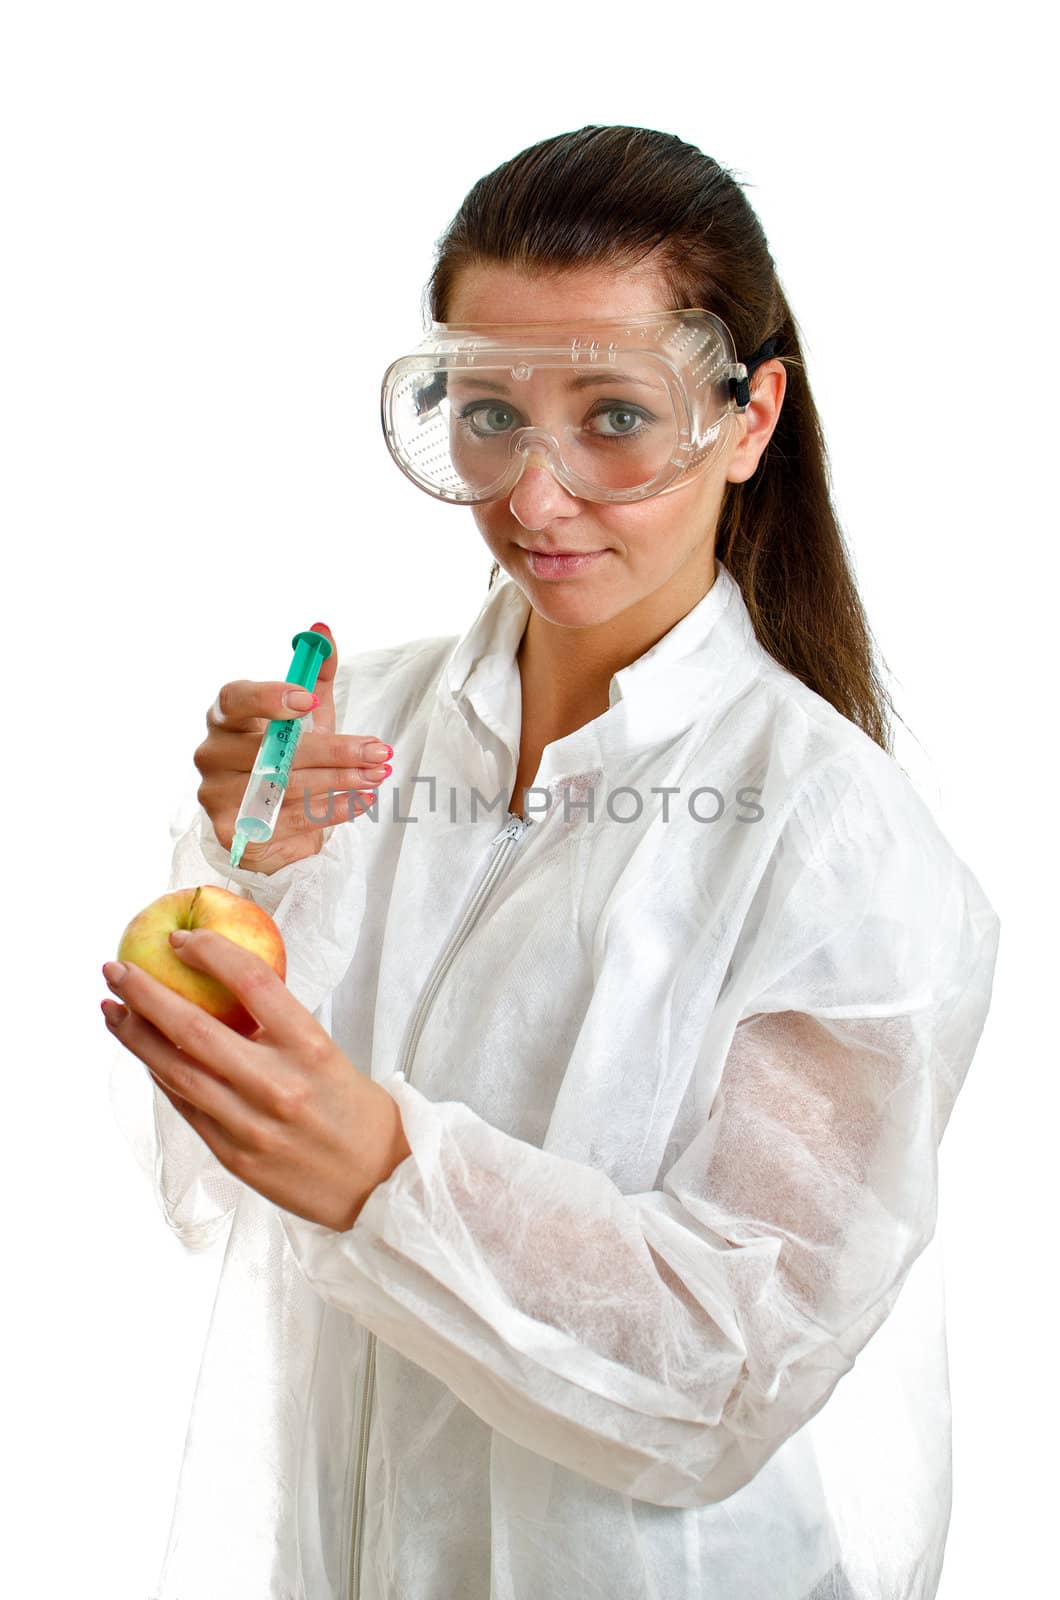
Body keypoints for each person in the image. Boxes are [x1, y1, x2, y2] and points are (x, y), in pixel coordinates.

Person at [105, 125, 1000, 1600]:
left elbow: (734, 1367)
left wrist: (387, 1172)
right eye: (488, 413)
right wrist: (243, 873)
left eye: (614, 418)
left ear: (750, 417)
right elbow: (208, 1192)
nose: (531, 495)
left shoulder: (839, 841)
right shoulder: (363, 729)